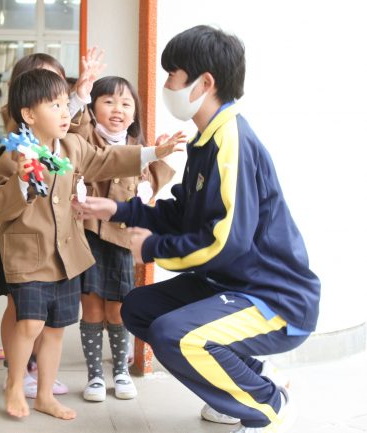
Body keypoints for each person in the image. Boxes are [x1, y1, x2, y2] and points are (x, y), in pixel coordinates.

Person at [72, 25, 321, 433]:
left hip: (274, 300)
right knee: (139, 309)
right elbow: (182, 214)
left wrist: (151, 249)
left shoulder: (232, 142)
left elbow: (226, 241)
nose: (167, 84)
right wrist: (119, 209)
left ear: (205, 83)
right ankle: (254, 381)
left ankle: (269, 407)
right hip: (231, 285)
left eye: (173, 74)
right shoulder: (208, 139)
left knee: (176, 334)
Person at [0, 68, 180, 420]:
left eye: (67, 104)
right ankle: (15, 384)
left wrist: (154, 153)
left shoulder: (73, 146)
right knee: (29, 324)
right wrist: (21, 181)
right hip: (28, 256)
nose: (65, 113)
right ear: (29, 114)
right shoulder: (14, 156)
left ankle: (44, 395)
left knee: (56, 328)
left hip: (67, 256)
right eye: (55, 106)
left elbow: (108, 160)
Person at [0, 49, 105, 398]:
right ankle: (17, 372)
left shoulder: (65, 122)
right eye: (45, 85)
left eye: (59, 82)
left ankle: (35, 374)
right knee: (19, 307)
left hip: (54, 231)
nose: (61, 104)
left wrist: (81, 95)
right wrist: (77, 98)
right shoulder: (19, 129)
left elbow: (72, 131)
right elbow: (34, 144)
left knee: (46, 318)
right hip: (18, 232)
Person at [71, 76, 184, 402]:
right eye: (108, 101)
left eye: (125, 103)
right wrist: (80, 95)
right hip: (89, 234)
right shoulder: (85, 137)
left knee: (118, 308)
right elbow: (74, 129)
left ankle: (120, 370)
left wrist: (159, 156)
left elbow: (150, 190)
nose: (117, 109)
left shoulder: (140, 148)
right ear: (93, 108)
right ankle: (95, 376)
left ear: (135, 113)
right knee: (91, 306)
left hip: (120, 239)